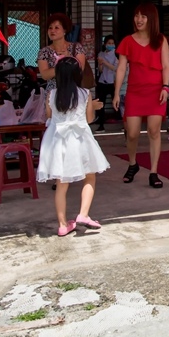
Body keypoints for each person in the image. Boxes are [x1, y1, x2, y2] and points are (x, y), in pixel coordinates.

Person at [37, 57, 111, 236]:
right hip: (79, 139)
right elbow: (90, 119)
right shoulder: (85, 94)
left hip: (57, 140)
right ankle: (83, 214)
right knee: (90, 175)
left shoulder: (51, 94)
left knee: (61, 183)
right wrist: (92, 107)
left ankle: (63, 225)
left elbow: (48, 115)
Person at [113, 3, 169, 189]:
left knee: (154, 131)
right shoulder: (127, 41)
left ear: (151, 19)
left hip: (156, 91)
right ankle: (133, 164)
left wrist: (165, 87)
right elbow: (121, 68)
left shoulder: (161, 40)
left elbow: (166, 66)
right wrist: (116, 92)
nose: (139, 20)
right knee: (132, 133)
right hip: (134, 92)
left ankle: (153, 172)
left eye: (143, 16)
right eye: (137, 16)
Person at [37, 13, 86, 92]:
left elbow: (80, 70)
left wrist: (69, 58)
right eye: (50, 28)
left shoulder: (76, 47)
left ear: (64, 30)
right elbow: (44, 75)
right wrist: (62, 66)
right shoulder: (44, 51)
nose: (52, 30)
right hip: (52, 94)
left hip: (73, 93)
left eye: (57, 28)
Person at [94, 35, 118, 131]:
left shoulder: (117, 55)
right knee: (101, 104)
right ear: (105, 44)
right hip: (102, 82)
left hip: (114, 83)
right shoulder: (101, 54)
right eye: (109, 43)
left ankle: (123, 123)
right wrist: (100, 64)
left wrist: (104, 62)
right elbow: (100, 70)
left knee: (117, 103)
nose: (111, 45)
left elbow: (115, 68)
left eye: (112, 43)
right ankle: (101, 125)